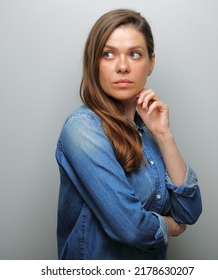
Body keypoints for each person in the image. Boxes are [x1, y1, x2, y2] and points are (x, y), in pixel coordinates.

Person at [55, 8, 202, 260]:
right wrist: (170, 226)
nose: (122, 67)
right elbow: (131, 227)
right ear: (94, 63)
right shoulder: (82, 128)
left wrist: (164, 135)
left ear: (151, 63)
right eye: (108, 54)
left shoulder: (148, 131)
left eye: (135, 54)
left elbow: (189, 211)